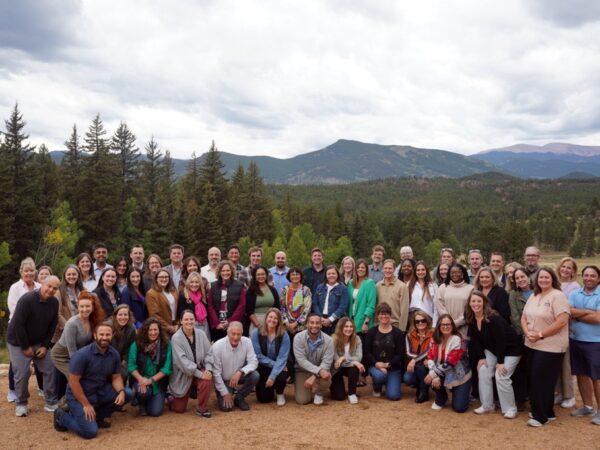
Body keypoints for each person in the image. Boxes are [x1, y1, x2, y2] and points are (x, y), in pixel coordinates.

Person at [53, 322, 133, 439]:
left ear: (113, 335)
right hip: (78, 396)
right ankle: (61, 416)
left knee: (128, 393)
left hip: (99, 391)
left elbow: (116, 377)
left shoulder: (114, 354)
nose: (104, 337)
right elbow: (73, 382)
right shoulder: (82, 355)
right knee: (90, 432)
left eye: (107, 334)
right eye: (101, 334)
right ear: (95, 335)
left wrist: (121, 391)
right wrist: (86, 405)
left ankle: (97, 417)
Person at [521, 267, 570, 427]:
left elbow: (561, 321)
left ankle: (540, 416)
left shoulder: (558, 296)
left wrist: (540, 334)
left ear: (553, 279)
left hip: (551, 345)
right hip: (532, 343)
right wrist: (527, 331)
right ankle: (547, 412)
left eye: (546, 277)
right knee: (537, 377)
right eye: (540, 278)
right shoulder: (534, 296)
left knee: (540, 379)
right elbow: (523, 316)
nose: (543, 280)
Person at [7, 276, 60, 417]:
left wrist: (45, 346)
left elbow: (52, 326)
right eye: (49, 286)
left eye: (55, 288)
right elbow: (18, 325)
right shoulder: (27, 300)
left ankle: (51, 401)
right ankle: (21, 403)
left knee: (50, 368)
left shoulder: (54, 303)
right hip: (18, 341)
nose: (51, 290)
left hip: (39, 342)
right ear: (42, 283)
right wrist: (25, 347)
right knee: (23, 373)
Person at [466, 291, 522, 419]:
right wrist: (481, 358)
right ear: (469, 303)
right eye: (473, 301)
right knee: (483, 370)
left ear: (484, 303)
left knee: (501, 375)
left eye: (479, 301)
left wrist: (500, 362)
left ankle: (510, 409)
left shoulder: (493, 318)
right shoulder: (471, 318)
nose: (476, 304)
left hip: (511, 350)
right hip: (493, 350)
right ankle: (487, 405)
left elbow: (501, 340)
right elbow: (476, 341)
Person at [7, 258, 43, 402]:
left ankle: (43, 389)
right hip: (17, 329)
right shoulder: (15, 288)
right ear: (21, 272)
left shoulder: (40, 287)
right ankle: (12, 390)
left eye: (31, 270)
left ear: (35, 271)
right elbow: (14, 310)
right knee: (16, 364)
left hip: (36, 330)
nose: (29, 273)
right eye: (26, 270)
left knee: (39, 361)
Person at [568, 265, 600, 425]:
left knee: (597, 377)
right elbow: (569, 312)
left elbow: (598, 319)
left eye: (592, 276)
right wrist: (588, 311)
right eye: (586, 275)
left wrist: (578, 314)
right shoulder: (575, 293)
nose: (588, 278)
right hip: (576, 340)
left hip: (595, 342)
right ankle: (588, 406)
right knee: (581, 374)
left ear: (598, 278)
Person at [51, 292, 105, 383]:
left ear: (93, 307)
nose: (85, 309)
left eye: (88, 306)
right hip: (61, 355)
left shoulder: (92, 320)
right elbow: (72, 351)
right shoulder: (72, 324)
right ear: (78, 307)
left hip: (79, 353)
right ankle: (71, 396)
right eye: (82, 306)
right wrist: (80, 368)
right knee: (75, 378)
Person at [168, 310, 213, 417]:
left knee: (207, 380)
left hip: (199, 369)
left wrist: (208, 369)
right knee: (179, 409)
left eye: (191, 319)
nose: (189, 322)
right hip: (183, 374)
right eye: (186, 319)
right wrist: (201, 374)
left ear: (195, 321)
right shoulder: (176, 338)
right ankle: (170, 398)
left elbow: (209, 353)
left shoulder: (201, 334)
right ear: (181, 321)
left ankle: (202, 408)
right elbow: (183, 363)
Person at [425, 314, 472, 413]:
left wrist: (432, 374)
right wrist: (434, 376)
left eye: (448, 324)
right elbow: (430, 357)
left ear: (452, 325)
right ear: (438, 326)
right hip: (443, 372)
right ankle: (442, 398)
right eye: (443, 324)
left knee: (459, 408)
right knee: (429, 374)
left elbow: (450, 362)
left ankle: (460, 391)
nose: (445, 327)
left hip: (460, 376)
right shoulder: (434, 339)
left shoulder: (458, 339)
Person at [128, 318, 173, 416]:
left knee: (155, 412)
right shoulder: (136, 344)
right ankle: (141, 403)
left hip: (157, 382)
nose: (153, 333)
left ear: (159, 330)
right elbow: (131, 366)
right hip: (140, 379)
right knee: (143, 393)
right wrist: (141, 379)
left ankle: (155, 398)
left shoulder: (166, 344)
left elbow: (167, 368)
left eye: (155, 330)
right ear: (145, 331)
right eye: (150, 330)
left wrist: (151, 380)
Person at [211, 321, 260, 412]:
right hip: (224, 380)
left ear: (242, 334)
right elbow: (216, 373)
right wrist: (225, 393)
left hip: (239, 376)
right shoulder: (217, 346)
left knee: (255, 375)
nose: (236, 337)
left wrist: (240, 372)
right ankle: (225, 393)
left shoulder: (247, 342)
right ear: (227, 333)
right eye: (233, 334)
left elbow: (254, 362)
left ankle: (239, 396)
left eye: (238, 334)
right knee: (226, 408)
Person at [364, 303, 404, 400]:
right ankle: (377, 388)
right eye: (381, 314)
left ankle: (389, 382)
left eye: (386, 314)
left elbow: (400, 354)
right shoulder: (372, 332)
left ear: (390, 315)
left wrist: (387, 365)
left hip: (393, 368)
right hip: (376, 366)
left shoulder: (397, 333)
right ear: (377, 316)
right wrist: (377, 364)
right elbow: (367, 352)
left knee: (394, 396)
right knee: (379, 376)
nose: (384, 316)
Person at [251, 308, 290, 405]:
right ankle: (270, 389)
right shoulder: (256, 333)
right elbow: (258, 356)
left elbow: (282, 358)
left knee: (281, 375)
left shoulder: (284, 335)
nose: (272, 320)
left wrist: (272, 377)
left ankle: (280, 393)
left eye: (275, 318)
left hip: (282, 364)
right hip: (263, 366)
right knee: (264, 399)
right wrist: (275, 364)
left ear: (279, 321)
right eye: (270, 317)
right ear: (266, 318)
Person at [293, 313, 334, 405]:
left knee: (326, 376)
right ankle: (307, 390)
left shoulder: (329, 340)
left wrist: (314, 376)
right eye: (311, 322)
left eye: (317, 323)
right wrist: (319, 372)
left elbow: (326, 363)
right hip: (302, 370)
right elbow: (301, 361)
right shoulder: (298, 338)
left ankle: (319, 392)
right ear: (307, 324)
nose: (314, 325)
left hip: (321, 370)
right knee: (302, 400)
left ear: (321, 325)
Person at [555, 257, 580, 409]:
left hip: (566, 329)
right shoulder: (557, 284)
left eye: (569, 267)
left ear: (573, 271)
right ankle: (558, 393)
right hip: (554, 330)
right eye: (563, 266)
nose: (565, 269)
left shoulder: (574, 287)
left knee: (565, 364)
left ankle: (569, 395)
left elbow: (570, 309)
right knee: (556, 362)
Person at [280, 267, 312, 379]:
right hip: (287, 326)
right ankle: (290, 375)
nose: (295, 276)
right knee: (288, 351)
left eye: (297, 274)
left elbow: (307, 308)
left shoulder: (306, 290)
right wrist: (286, 322)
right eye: (292, 274)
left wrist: (296, 323)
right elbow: (282, 307)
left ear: (301, 276)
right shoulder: (285, 289)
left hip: (301, 327)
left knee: (300, 350)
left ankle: (301, 374)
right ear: (289, 276)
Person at [508, 266, 533, 407]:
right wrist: (525, 334)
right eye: (517, 278)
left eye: (523, 276)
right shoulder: (513, 294)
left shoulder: (538, 292)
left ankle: (533, 396)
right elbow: (515, 317)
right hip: (521, 336)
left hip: (540, 336)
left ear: (529, 277)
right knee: (521, 368)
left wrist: (536, 334)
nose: (520, 280)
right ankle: (521, 398)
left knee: (534, 368)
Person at [207, 260, 247, 341]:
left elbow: (242, 305)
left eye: (228, 270)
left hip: (234, 323)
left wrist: (230, 321)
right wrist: (216, 323)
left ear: (232, 271)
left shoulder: (239, 285)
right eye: (223, 271)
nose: (225, 273)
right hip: (218, 325)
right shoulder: (213, 286)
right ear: (219, 272)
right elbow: (210, 306)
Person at [330, 317, 365, 404]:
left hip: (348, 367)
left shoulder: (357, 339)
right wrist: (354, 361)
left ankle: (352, 393)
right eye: (346, 326)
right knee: (339, 396)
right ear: (340, 327)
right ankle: (333, 386)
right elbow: (336, 361)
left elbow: (359, 357)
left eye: (351, 326)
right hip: (336, 369)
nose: (349, 329)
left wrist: (344, 358)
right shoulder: (333, 339)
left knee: (354, 368)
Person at [435, 263, 473, 337]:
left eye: (457, 272)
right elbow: (440, 306)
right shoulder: (443, 287)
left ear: (462, 273)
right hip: (445, 328)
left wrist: (457, 323)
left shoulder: (470, 288)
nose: (454, 274)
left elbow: (470, 310)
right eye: (452, 272)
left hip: (463, 329)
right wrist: (448, 322)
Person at [403, 311, 433, 403]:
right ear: (414, 323)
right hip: (415, 365)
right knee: (407, 378)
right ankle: (421, 387)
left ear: (427, 321)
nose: (420, 323)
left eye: (423, 320)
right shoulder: (409, 335)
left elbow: (429, 351)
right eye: (417, 321)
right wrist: (416, 360)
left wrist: (414, 360)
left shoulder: (433, 334)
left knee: (422, 366)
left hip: (429, 365)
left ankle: (423, 392)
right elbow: (408, 352)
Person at [312, 265, 348, 335]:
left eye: (333, 273)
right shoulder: (320, 287)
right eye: (329, 274)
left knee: (333, 342)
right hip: (321, 319)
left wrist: (330, 319)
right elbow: (315, 304)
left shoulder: (343, 288)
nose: (331, 275)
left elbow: (343, 307)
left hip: (336, 320)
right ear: (326, 275)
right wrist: (320, 318)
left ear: (337, 275)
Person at [376, 259, 410, 332]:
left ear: (394, 269)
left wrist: (401, 330)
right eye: (385, 268)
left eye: (390, 268)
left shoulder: (402, 286)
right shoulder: (378, 286)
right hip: (380, 326)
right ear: (382, 269)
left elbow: (404, 311)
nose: (387, 270)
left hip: (395, 326)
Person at [245, 265, 280, 336]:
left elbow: (277, 308)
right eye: (258, 274)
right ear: (254, 276)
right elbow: (249, 311)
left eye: (263, 274)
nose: (261, 276)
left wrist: (271, 323)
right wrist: (259, 326)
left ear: (266, 275)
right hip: (256, 323)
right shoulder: (251, 291)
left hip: (271, 322)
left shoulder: (272, 290)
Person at [348, 259, 376, 337]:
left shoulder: (370, 283)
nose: (360, 269)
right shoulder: (351, 283)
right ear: (355, 269)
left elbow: (371, 305)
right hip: (351, 320)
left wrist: (366, 322)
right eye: (358, 267)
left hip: (363, 321)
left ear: (366, 270)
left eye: (363, 267)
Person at [177, 271, 210, 339]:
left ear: (200, 283)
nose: (194, 284)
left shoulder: (203, 295)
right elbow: (180, 313)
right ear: (188, 283)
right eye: (191, 282)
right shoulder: (183, 296)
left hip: (204, 324)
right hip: (191, 325)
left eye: (196, 282)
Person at [146, 268, 179, 335]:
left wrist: (178, 324)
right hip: (162, 328)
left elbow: (178, 309)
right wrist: (168, 327)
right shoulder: (151, 293)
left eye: (166, 277)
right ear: (156, 279)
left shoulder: (173, 291)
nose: (164, 279)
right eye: (161, 277)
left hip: (176, 326)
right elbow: (154, 315)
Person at [109, 305, 136, 381]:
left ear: (129, 316)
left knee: (123, 373)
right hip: (108, 358)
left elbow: (131, 347)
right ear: (115, 315)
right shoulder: (109, 326)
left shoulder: (132, 328)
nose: (123, 317)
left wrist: (125, 360)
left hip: (122, 359)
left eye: (125, 315)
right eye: (120, 315)